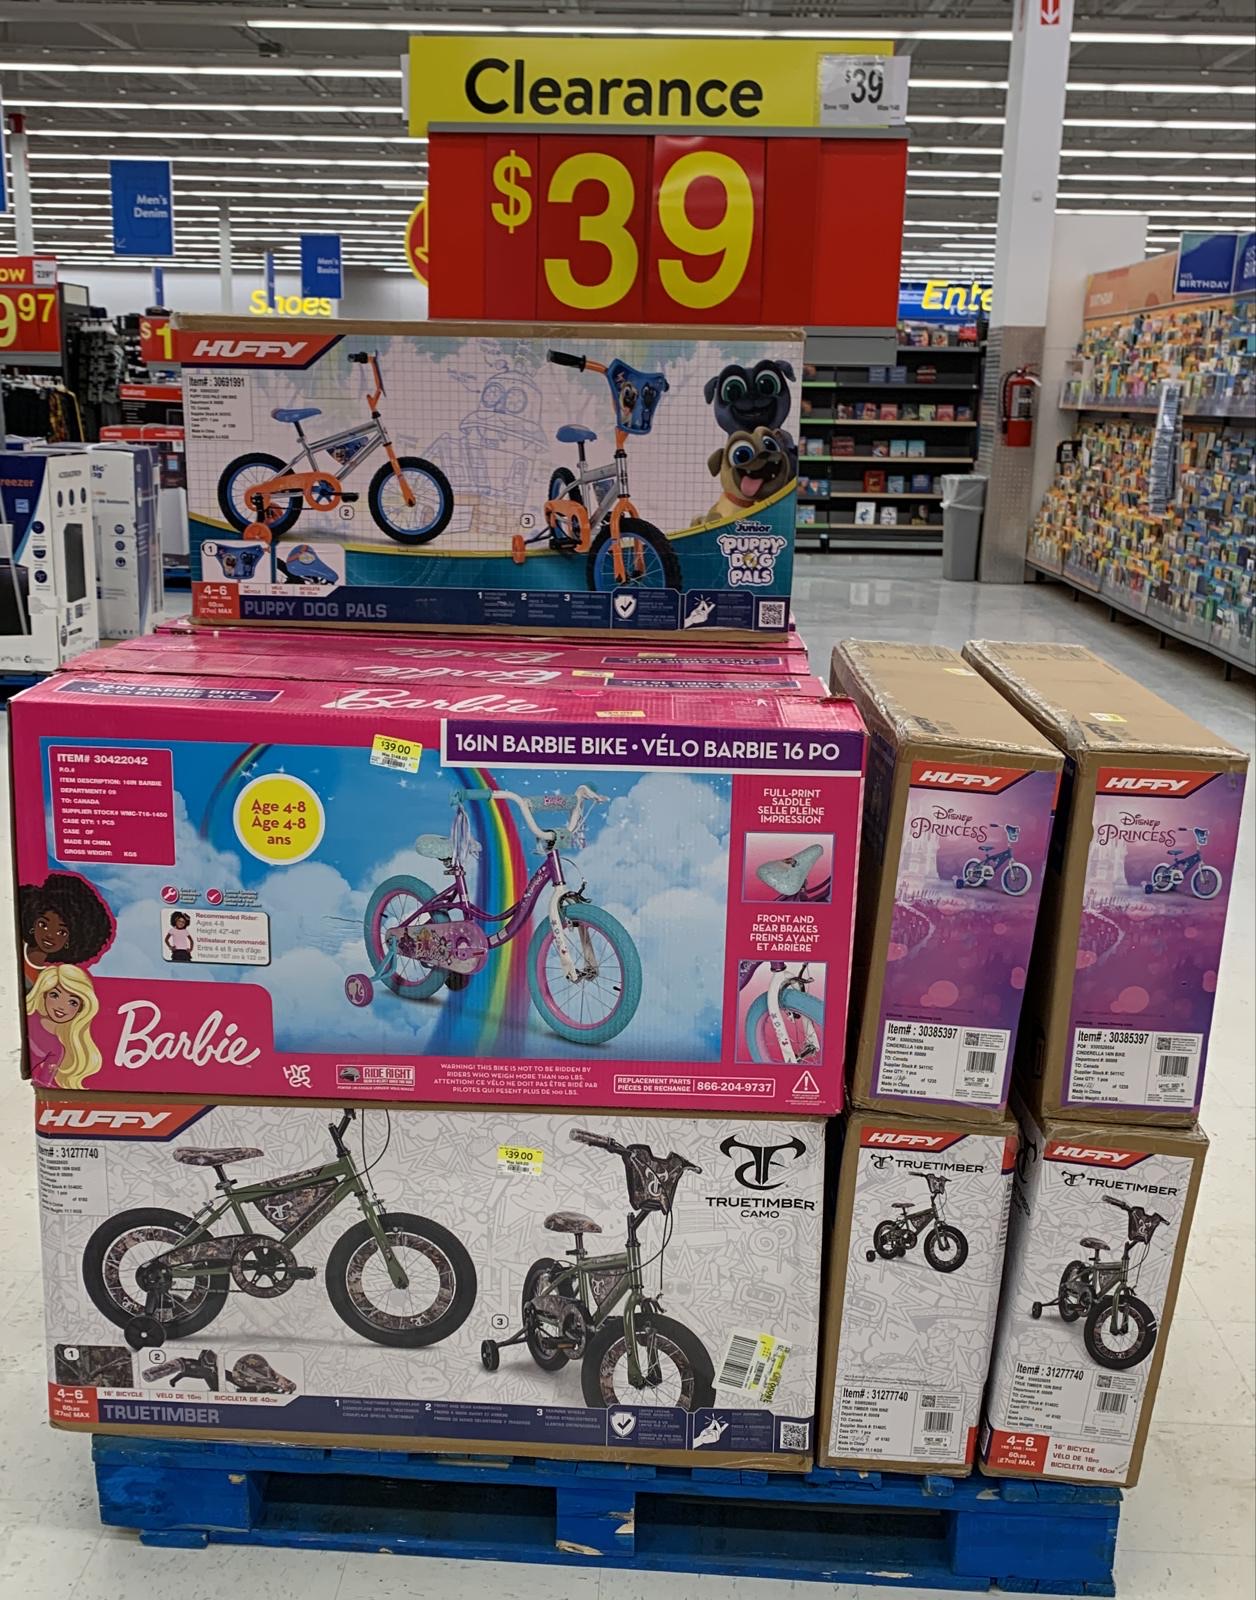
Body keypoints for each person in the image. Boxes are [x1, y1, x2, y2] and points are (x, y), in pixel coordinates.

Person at [18, 873, 113, 990]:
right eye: (43, 925)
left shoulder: (51, 981)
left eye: (61, 932)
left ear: (71, 939)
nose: (50, 935)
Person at [25, 965, 102, 1090]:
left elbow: (43, 1082)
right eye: (54, 995)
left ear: (80, 1009)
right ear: (44, 995)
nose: (61, 1006)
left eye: (73, 1002)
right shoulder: (29, 1018)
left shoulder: (57, 1049)